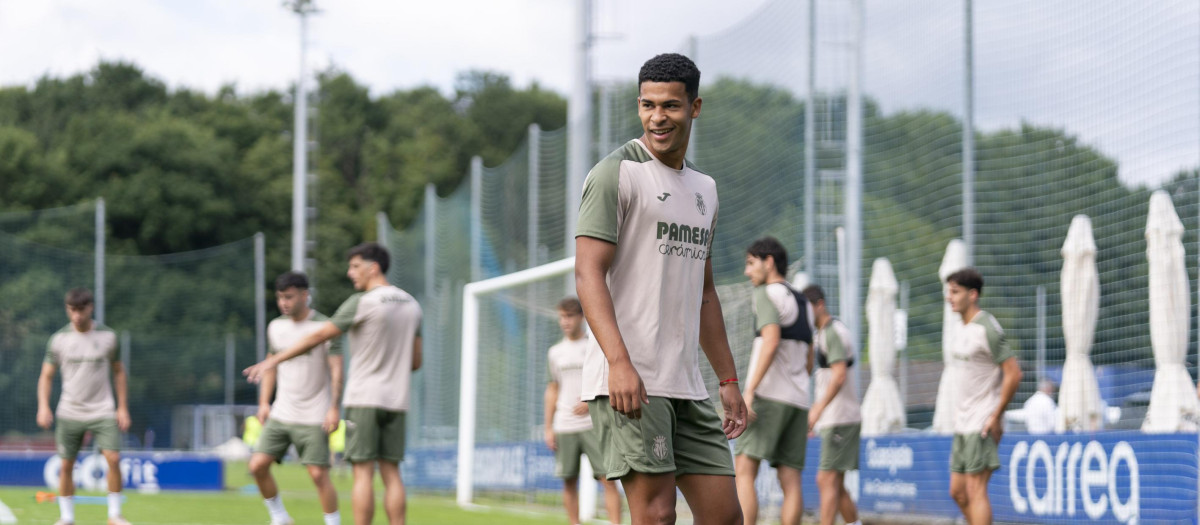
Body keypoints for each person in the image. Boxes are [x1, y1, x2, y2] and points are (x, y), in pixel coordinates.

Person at [575, 52, 747, 525]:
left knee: (725, 517)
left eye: (670, 105)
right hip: (630, 378)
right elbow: (588, 274)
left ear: (695, 107)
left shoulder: (705, 189)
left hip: (687, 385)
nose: (657, 117)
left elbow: (705, 293)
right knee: (656, 514)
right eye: (648, 105)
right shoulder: (616, 173)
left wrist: (728, 381)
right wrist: (619, 363)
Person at [246, 243, 422, 525]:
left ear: (373, 267)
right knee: (392, 473)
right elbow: (415, 362)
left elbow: (319, 336)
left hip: (364, 399)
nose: (350, 273)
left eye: (355, 266)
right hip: (398, 400)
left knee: (363, 473)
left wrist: (274, 360)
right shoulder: (412, 304)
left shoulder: (362, 301)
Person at [249, 271, 344, 525]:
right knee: (257, 465)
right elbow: (271, 366)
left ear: (305, 295)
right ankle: (280, 517)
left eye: (289, 297)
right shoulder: (276, 326)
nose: (284, 303)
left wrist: (334, 407)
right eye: (280, 297)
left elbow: (337, 369)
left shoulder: (325, 327)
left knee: (318, 474)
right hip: (282, 412)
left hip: (314, 414)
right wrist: (264, 403)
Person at [734, 238, 814, 525]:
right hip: (799, 400)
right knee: (791, 481)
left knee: (744, 469)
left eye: (751, 263)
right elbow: (809, 359)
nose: (747, 271)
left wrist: (749, 391)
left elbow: (771, 341)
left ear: (769, 262)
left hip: (768, 397)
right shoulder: (804, 302)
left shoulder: (766, 293)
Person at [37, 287, 132, 525]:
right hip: (70, 410)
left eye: (81, 310)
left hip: (102, 409)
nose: (77, 315)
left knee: (114, 459)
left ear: (90, 307)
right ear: (67, 310)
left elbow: (119, 372)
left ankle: (114, 516)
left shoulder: (108, 337)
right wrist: (43, 407)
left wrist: (122, 407)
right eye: (72, 310)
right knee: (66, 464)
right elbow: (46, 376)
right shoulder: (59, 340)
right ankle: (67, 517)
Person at [945, 268, 1022, 525]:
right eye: (948, 291)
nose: (949, 297)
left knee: (975, 490)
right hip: (962, 422)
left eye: (955, 292)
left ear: (973, 295)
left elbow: (1013, 373)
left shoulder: (987, 326)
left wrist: (996, 415)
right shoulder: (961, 328)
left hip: (982, 421)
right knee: (957, 492)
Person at [544, 297, 623, 525]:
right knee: (568, 481)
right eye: (562, 317)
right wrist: (548, 427)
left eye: (569, 316)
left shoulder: (594, 346)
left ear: (581, 317)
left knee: (608, 479)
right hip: (564, 425)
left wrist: (591, 401)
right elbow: (553, 389)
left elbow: (610, 378)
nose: (565, 321)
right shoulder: (555, 352)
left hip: (594, 423)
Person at [803, 285, 862, 525]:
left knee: (825, 480)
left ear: (820, 305)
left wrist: (817, 408)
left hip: (841, 418)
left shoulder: (833, 332)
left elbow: (839, 375)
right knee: (835, 484)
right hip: (836, 418)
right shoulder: (821, 334)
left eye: (807, 309)